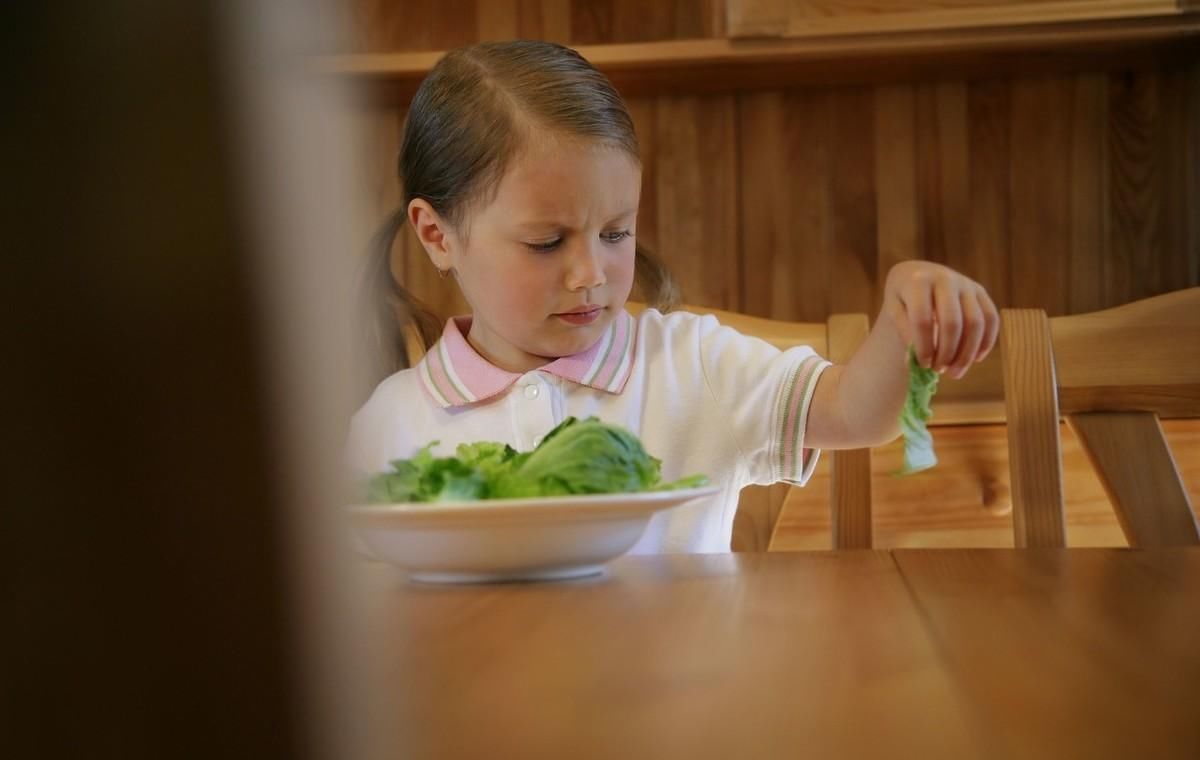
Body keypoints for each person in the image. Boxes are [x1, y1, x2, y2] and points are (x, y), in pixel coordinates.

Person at [346, 40, 999, 554]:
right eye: (546, 242)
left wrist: (906, 313)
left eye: (615, 232)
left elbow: (858, 414)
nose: (590, 273)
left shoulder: (692, 365)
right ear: (437, 235)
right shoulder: (391, 425)